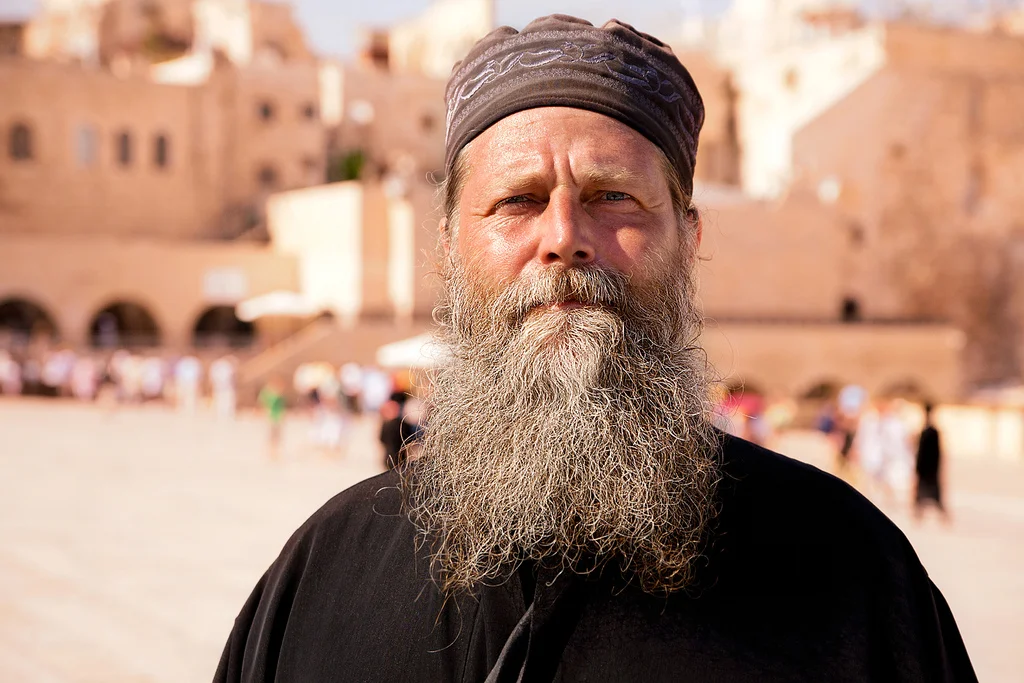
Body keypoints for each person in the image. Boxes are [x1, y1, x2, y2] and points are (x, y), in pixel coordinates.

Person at [216, 16, 975, 682]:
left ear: (689, 240)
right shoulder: (323, 577)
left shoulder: (848, 575)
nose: (565, 239)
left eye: (614, 197)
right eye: (517, 200)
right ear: (448, 247)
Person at [914, 403, 949, 523]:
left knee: (934, 495)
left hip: (929, 468)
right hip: (927, 468)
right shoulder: (927, 430)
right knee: (922, 494)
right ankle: (919, 516)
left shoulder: (931, 432)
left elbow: (935, 452)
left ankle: (943, 517)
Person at [258, 378, 287, 459]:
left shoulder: (275, 395)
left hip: (276, 417)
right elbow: (265, 402)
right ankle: (272, 453)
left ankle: (274, 452)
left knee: (276, 436)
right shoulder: (273, 395)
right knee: (273, 436)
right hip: (274, 418)